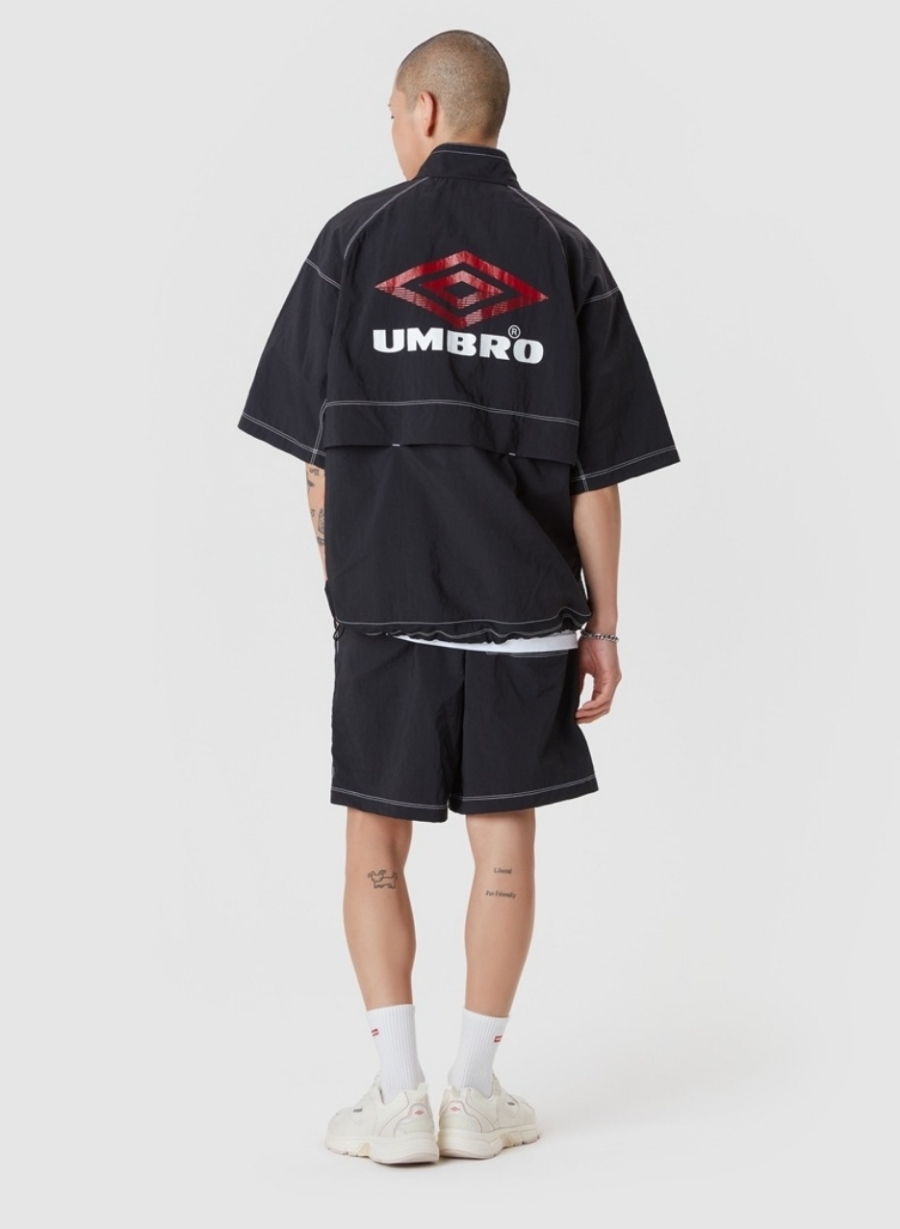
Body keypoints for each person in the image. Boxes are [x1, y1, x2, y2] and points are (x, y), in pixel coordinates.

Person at [238, 30, 680, 1164]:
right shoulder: (567, 253)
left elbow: (316, 459)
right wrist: (604, 627)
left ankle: (397, 1097)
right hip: (527, 610)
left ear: (426, 110)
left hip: (385, 601)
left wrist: (347, 573)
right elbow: (598, 476)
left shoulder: (354, 239)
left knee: (374, 844)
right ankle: (476, 1095)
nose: (391, 131)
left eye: (393, 111)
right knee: (504, 851)